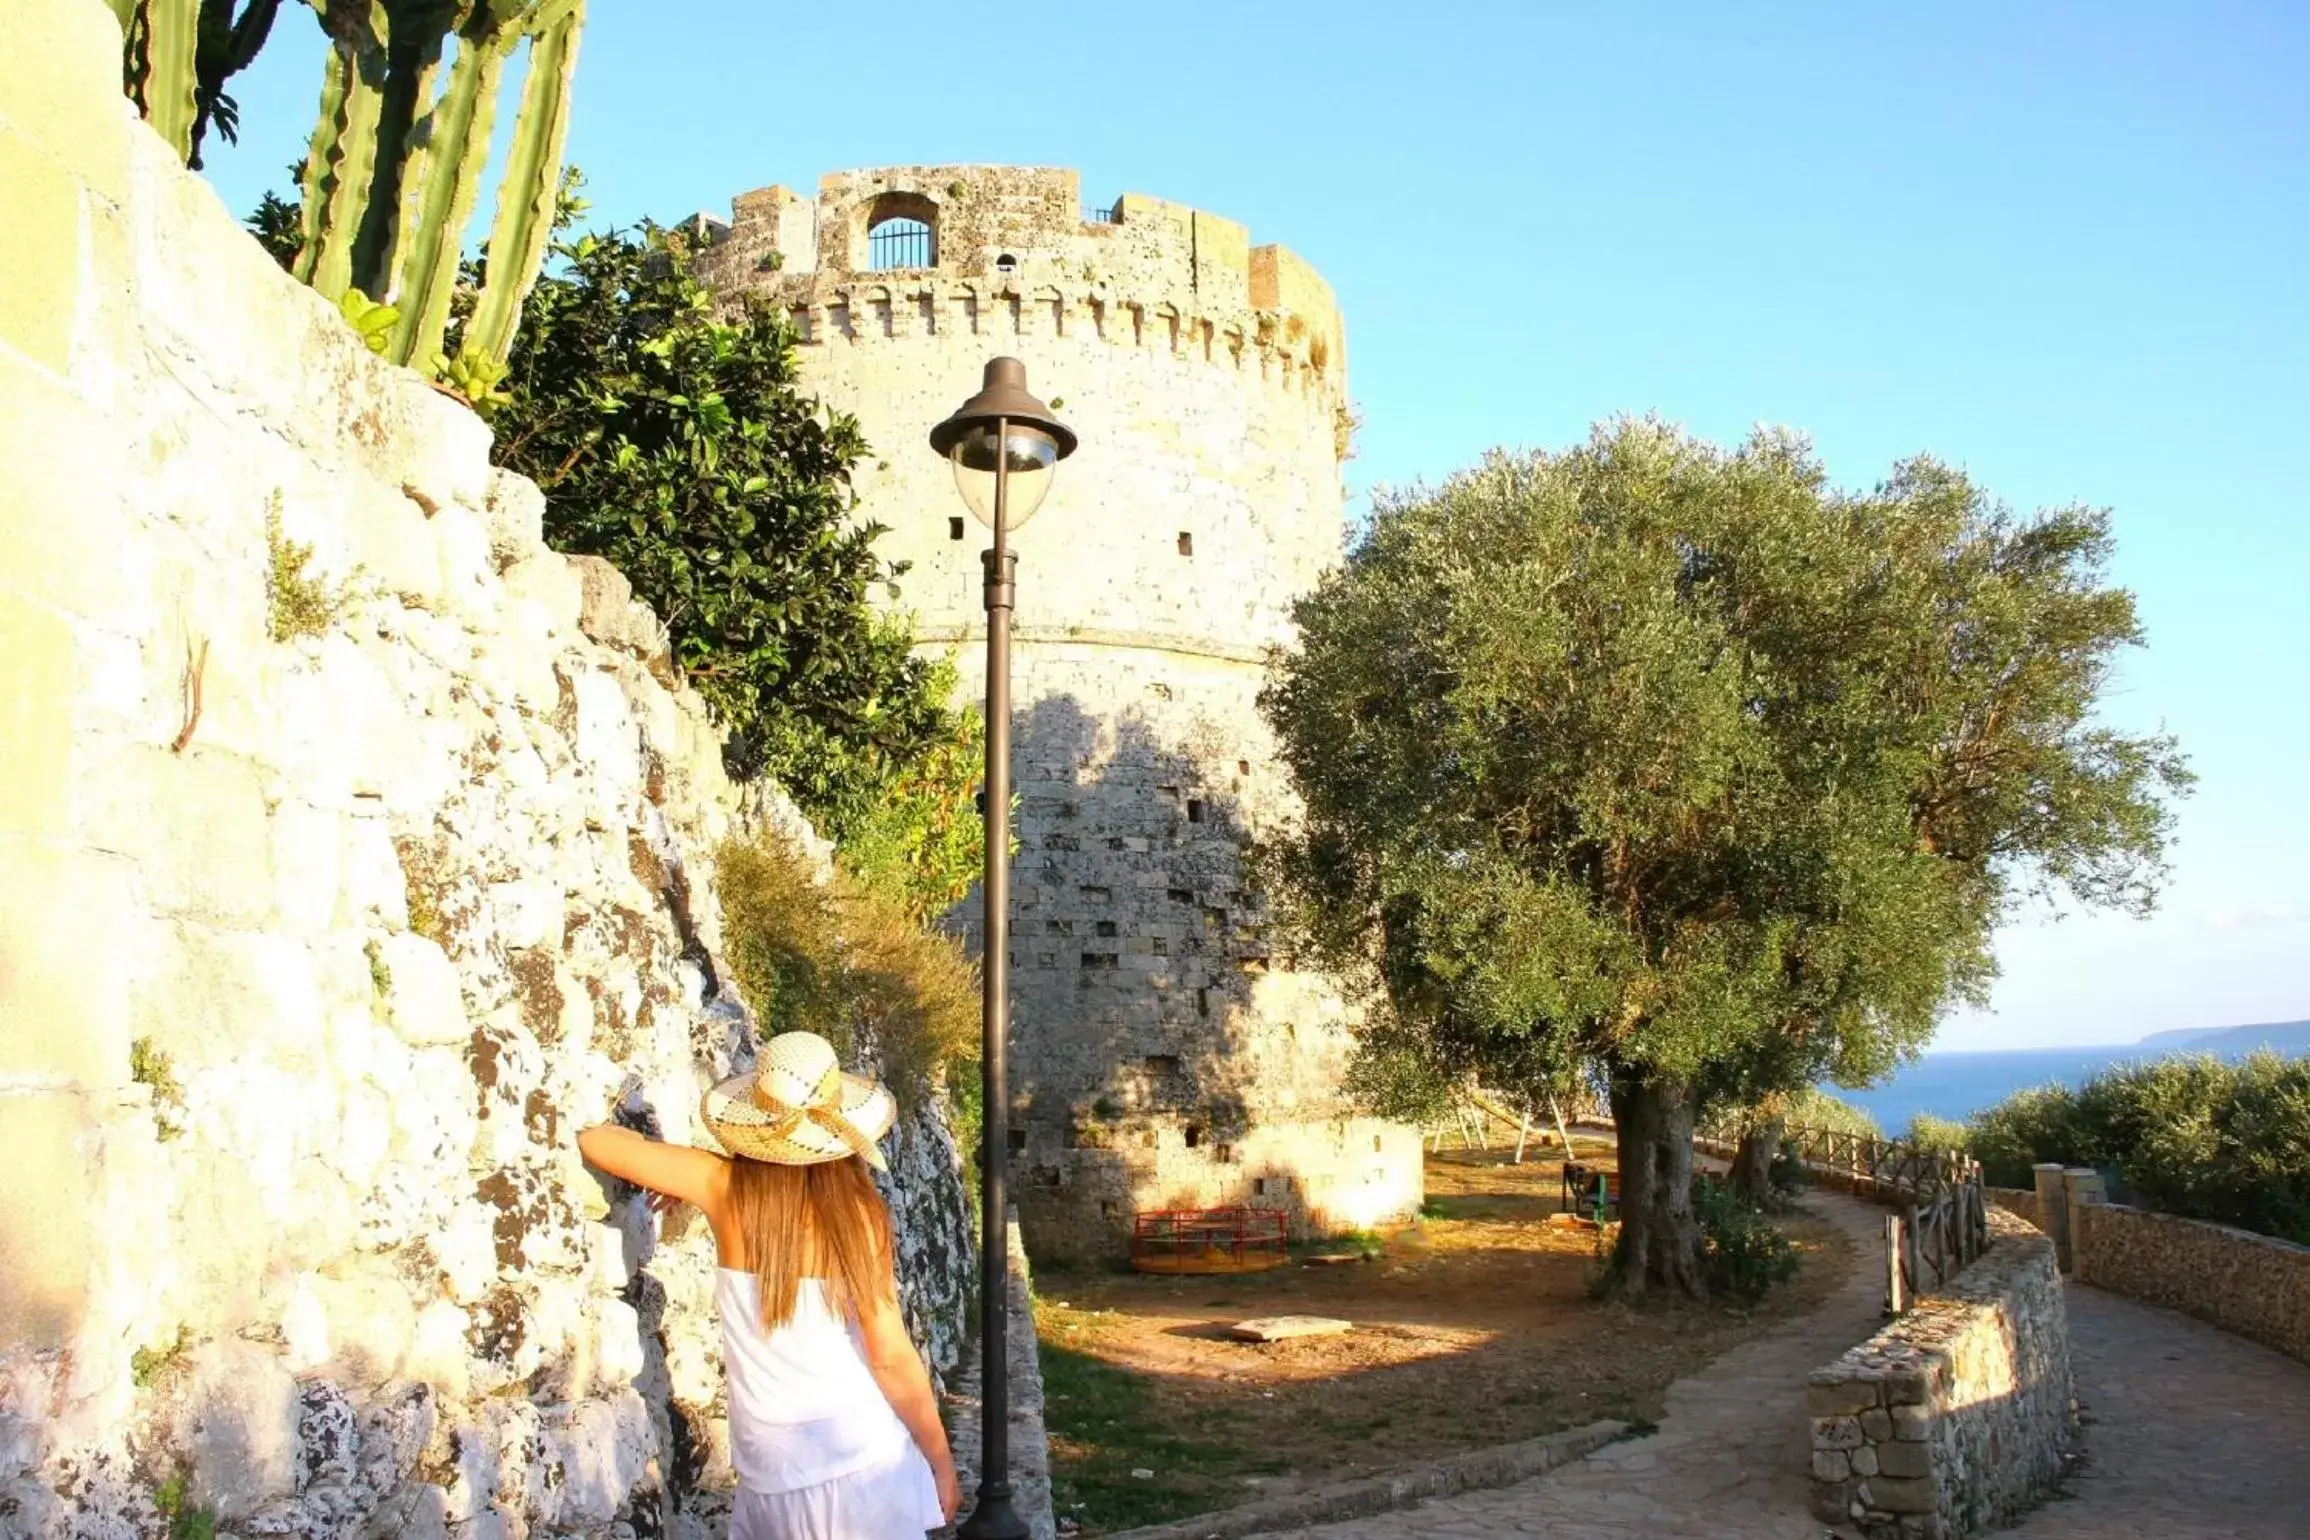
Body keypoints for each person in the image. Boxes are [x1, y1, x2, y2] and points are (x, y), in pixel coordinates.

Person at [577, 1031, 960, 1539]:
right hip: (860, 1459)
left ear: (755, 1123)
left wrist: (680, 1170)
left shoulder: (719, 1185)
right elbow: (889, 1355)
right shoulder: (858, 1216)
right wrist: (940, 1459)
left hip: (769, 1470)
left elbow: (596, 1141)